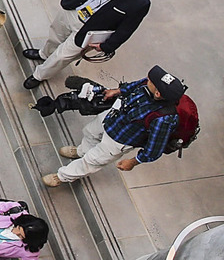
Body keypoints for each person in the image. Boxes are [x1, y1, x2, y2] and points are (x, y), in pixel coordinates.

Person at [43, 66, 186, 186]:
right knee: (90, 132)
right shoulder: (147, 85)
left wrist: (133, 162)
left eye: (152, 80)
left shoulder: (164, 119)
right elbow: (135, 85)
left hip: (119, 140)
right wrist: (117, 91)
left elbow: (154, 150)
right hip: (112, 118)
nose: (148, 78)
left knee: (92, 161)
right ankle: (81, 151)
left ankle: (62, 176)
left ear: (158, 93)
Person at [21, 0, 149, 89]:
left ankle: (39, 75)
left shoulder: (140, 3)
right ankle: (45, 54)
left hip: (90, 30)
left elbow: (126, 29)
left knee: (62, 57)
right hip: (74, 10)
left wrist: (107, 46)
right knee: (55, 35)